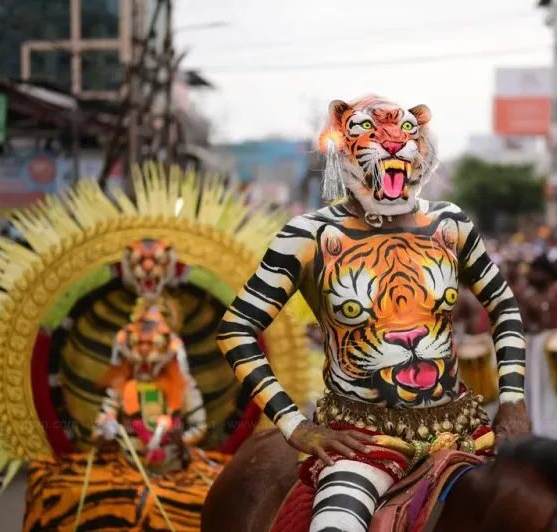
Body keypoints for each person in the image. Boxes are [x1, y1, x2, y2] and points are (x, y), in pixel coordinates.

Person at [217, 96, 528, 532]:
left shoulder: (450, 224)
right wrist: (293, 425)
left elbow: (504, 305)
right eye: (369, 133)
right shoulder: (308, 235)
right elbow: (236, 328)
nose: (393, 146)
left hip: (463, 430)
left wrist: (513, 402)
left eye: (405, 134)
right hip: (361, 444)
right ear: (343, 150)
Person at [520, 255, 557, 441]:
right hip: (535, 348)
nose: (533, 275)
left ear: (547, 274)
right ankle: (539, 429)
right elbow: (522, 323)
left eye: (537, 271)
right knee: (536, 387)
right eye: (532, 271)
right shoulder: (527, 297)